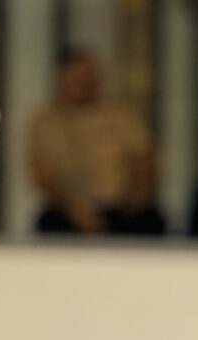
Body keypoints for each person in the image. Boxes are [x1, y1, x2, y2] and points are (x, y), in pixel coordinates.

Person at [29, 48, 164, 237]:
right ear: (62, 79)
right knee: (50, 223)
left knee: (149, 221)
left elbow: (145, 159)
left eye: (88, 75)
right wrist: (75, 209)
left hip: (122, 208)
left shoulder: (121, 116)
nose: (83, 82)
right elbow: (44, 175)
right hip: (70, 210)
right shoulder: (46, 122)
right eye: (76, 76)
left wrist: (134, 200)